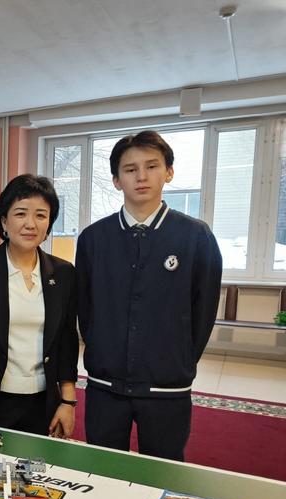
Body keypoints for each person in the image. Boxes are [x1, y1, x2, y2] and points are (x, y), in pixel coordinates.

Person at [76, 130, 222, 461]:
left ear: (168, 172)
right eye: (130, 169)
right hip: (104, 385)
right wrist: (101, 349)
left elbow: (203, 311)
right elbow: (86, 308)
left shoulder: (196, 237)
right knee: (102, 468)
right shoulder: (94, 239)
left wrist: (179, 360)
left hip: (167, 386)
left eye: (152, 166)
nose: (141, 176)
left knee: (164, 471)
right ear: (116, 180)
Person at [0, 174, 78, 437]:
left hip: (43, 401)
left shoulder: (63, 273)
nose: (31, 224)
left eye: (41, 215)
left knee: (36, 462)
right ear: (4, 221)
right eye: (21, 213)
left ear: (49, 223)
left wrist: (68, 401)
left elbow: (67, 340)